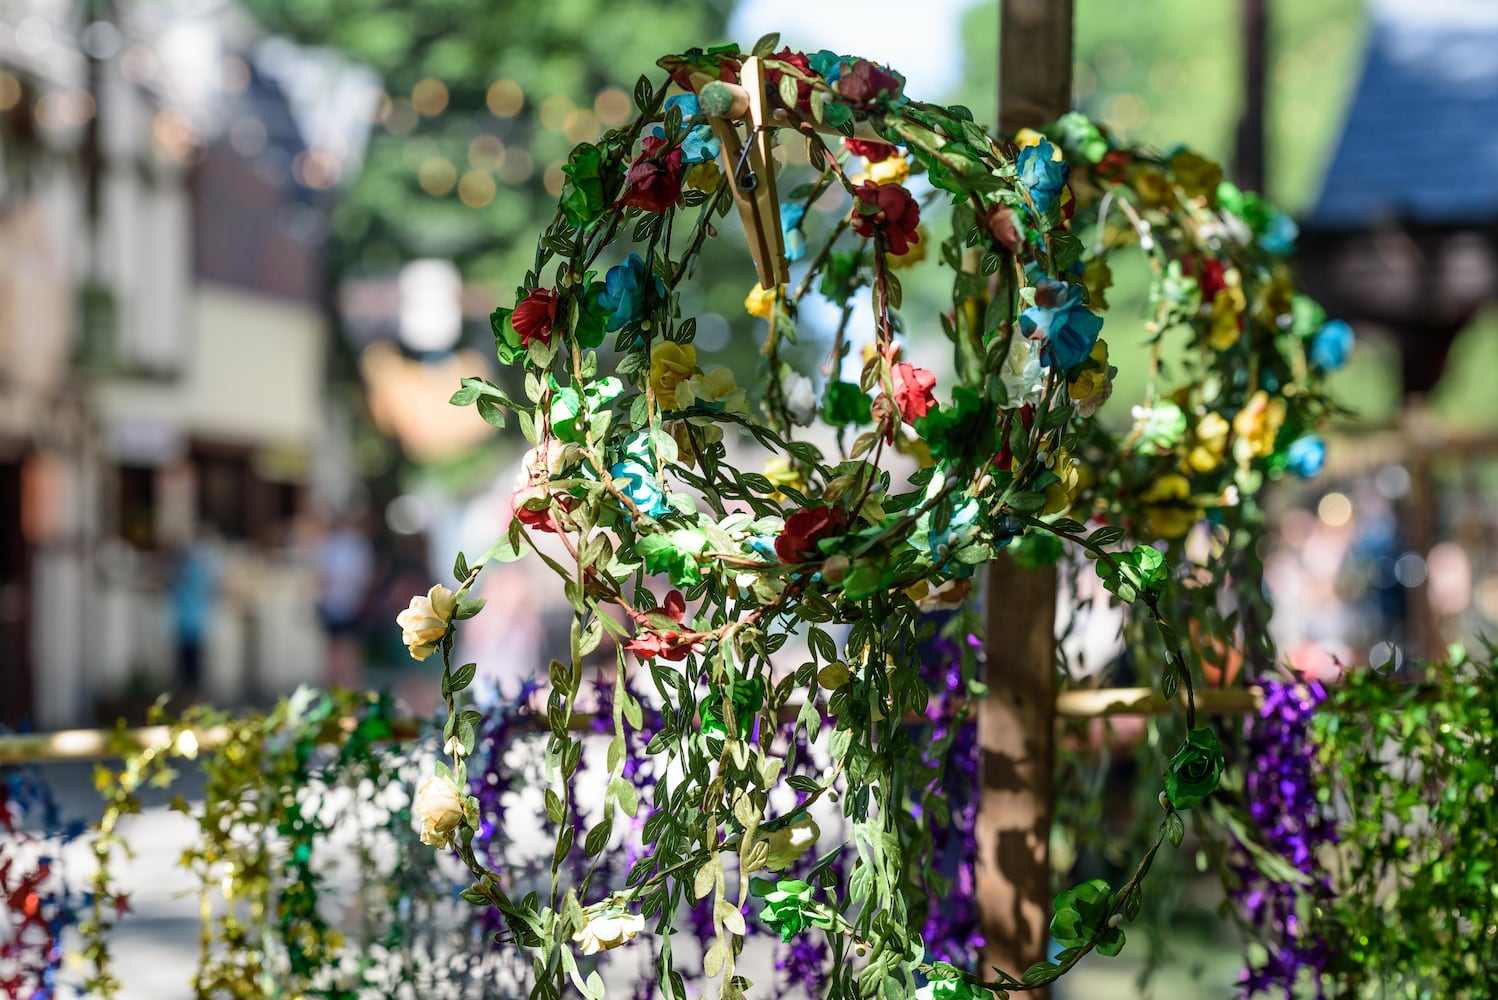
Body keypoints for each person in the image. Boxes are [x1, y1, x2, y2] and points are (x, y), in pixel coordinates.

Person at [315, 513, 375, 689]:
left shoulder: (356, 545)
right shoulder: (331, 543)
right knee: (335, 649)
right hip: (333, 603)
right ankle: (337, 686)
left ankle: (348, 685)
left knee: (348, 648)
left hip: (350, 603)